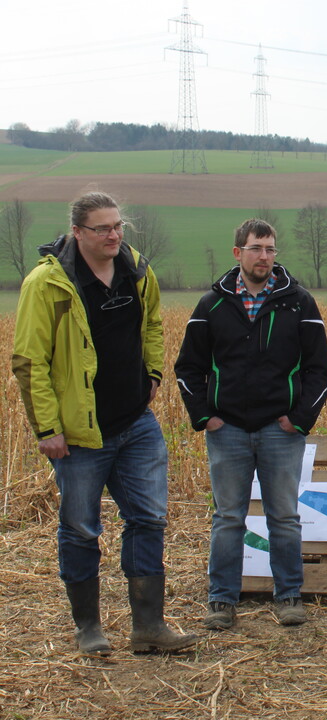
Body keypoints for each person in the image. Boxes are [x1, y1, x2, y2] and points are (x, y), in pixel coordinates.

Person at [12, 191, 198, 655]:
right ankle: (88, 628)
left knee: (149, 519)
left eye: (118, 226)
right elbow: (30, 361)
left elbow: (152, 324)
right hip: (79, 434)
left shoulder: (137, 270)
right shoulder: (47, 284)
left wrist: (153, 373)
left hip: (136, 424)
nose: (114, 235)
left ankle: (149, 627)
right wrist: (47, 428)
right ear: (77, 232)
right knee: (80, 528)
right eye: (103, 228)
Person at [174, 218, 327, 631]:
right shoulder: (211, 305)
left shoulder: (299, 303)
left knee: (284, 518)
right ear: (238, 253)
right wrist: (204, 417)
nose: (264, 256)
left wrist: (299, 419)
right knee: (228, 517)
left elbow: (320, 371)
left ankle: (289, 596)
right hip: (227, 431)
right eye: (256, 248)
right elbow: (188, 368)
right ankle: (222, 600)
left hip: (280, 432)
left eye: (270, 249)